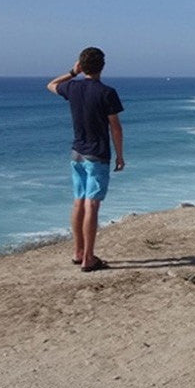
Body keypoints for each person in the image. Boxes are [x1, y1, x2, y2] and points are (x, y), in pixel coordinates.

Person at [46, 47, 125, 272]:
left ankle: (78, 251)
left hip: (77, 154)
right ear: (102, 66)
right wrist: (120, 155)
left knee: (78, 201)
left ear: (82, 66)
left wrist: (72, 72)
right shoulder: (107, 92)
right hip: (97, 155)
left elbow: (50, 85)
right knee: (92, 204)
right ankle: (88, 258)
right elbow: (116, 128)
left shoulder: (73, 87)